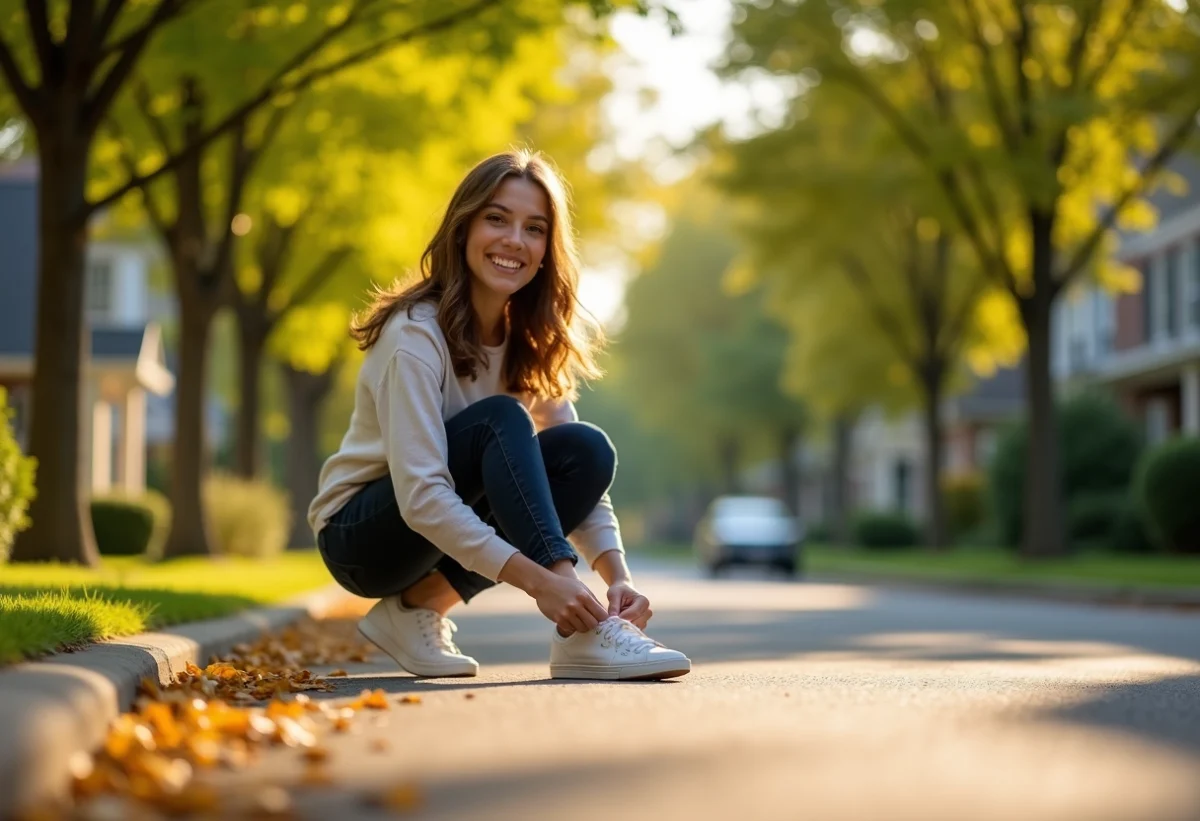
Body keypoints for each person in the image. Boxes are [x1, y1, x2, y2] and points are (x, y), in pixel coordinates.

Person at [308, 149, 690, 682]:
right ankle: (581, 624)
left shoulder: (527, 341)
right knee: (501, 421)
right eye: (496, 218)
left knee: (585, 449)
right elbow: (422, 497)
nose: (515, 240)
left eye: (534, 228)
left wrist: (616, 576)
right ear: (462, 229)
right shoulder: (414, 336)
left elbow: (579, 480)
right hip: (362, 535)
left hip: (429, 526)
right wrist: (548, 583)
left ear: (545, 252)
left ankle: (423, 609)